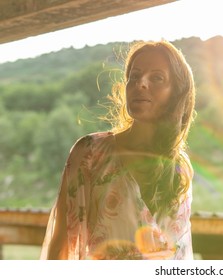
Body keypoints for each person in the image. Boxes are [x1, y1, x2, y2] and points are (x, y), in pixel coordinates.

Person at [40, 40, 196, 260]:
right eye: (134, 76)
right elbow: (61, 248)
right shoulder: (90, 153)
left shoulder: (180, 166)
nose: (140, 83)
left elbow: (183, 251)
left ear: (176, 92)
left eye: (157, 78)